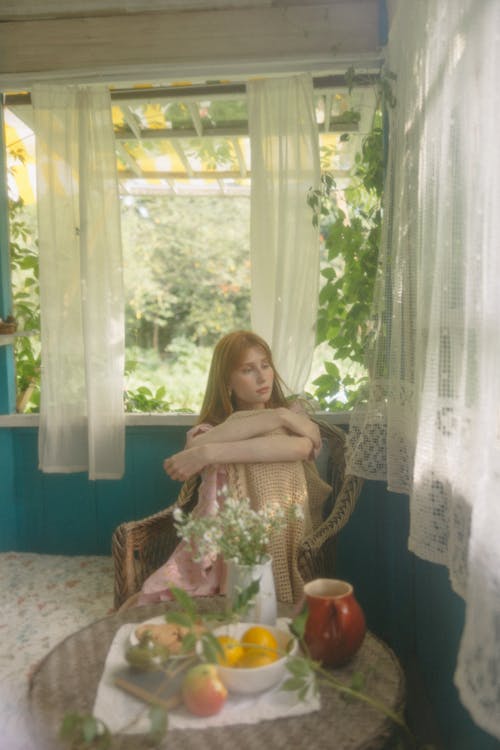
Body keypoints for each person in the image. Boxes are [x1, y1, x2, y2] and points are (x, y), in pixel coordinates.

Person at [138, 330, 331, 605]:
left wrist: (212, 452)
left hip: (286, 525)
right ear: (227, 380)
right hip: (236, 537)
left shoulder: (290, 412)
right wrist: (206, 448)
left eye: (265, 366)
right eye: (248, 370)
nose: (262, 377)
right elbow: (195, 447)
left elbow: (302, 448)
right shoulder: (213, 429)